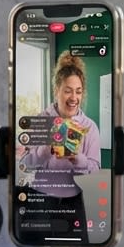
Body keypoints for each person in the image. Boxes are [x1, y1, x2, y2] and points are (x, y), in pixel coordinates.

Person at [20, 52, 99, 231]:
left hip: (74, 204)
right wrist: (44, 151)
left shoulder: (90, 127)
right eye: (68, 91)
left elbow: (95, 172)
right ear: (57, 91)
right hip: (40, 203)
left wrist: (80, 161)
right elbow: (25, 164)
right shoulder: (41, 120)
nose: (73, 98)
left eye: (78, 92)